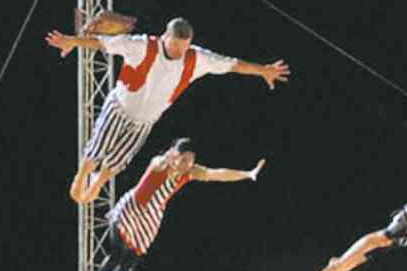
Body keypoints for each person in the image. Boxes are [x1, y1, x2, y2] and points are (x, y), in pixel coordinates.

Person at [45, 16, 289, 203]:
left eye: (183, 47)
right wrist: (73, 41)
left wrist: (263, 70)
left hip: (145, 120)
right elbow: (102, 43)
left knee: (120, 158)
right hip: (120, 106)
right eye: (174, 46)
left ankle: (98, 181)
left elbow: (232, 64)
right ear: (164, 37)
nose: (178, 52)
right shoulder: (142, 45)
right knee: (101, 143)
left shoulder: (196, 59)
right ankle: (82, 175)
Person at [86, 138, 265, 271]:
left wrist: (247, 174)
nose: (188, 165)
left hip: (150, 217)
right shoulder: (159, 163)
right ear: (174, 156)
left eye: (191, 161)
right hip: (131, 209)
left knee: (130, 262)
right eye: (185, 160)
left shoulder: (189, 173)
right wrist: (168, 158)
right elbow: (161, 162)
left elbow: (218, 174)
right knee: (117, 253)